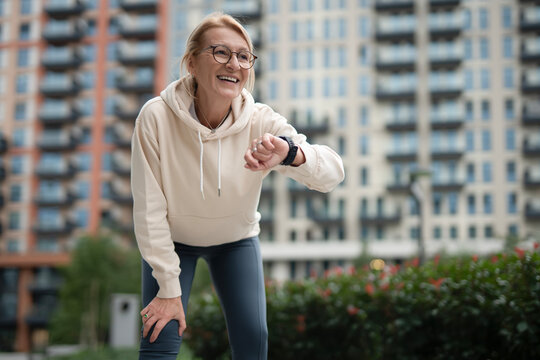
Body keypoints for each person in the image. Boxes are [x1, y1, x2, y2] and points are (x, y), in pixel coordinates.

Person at [131, 12, 345, 360]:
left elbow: (333, 172)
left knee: (253, 338)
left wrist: (290, 154)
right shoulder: (155, 117)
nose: (234, 63)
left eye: (243, 56)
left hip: (236, 242)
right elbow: (148, 210)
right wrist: (168, 290)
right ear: (191, 64)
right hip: (171, 242)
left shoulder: (261, 120)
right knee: (160, 336)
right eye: (220, 52)